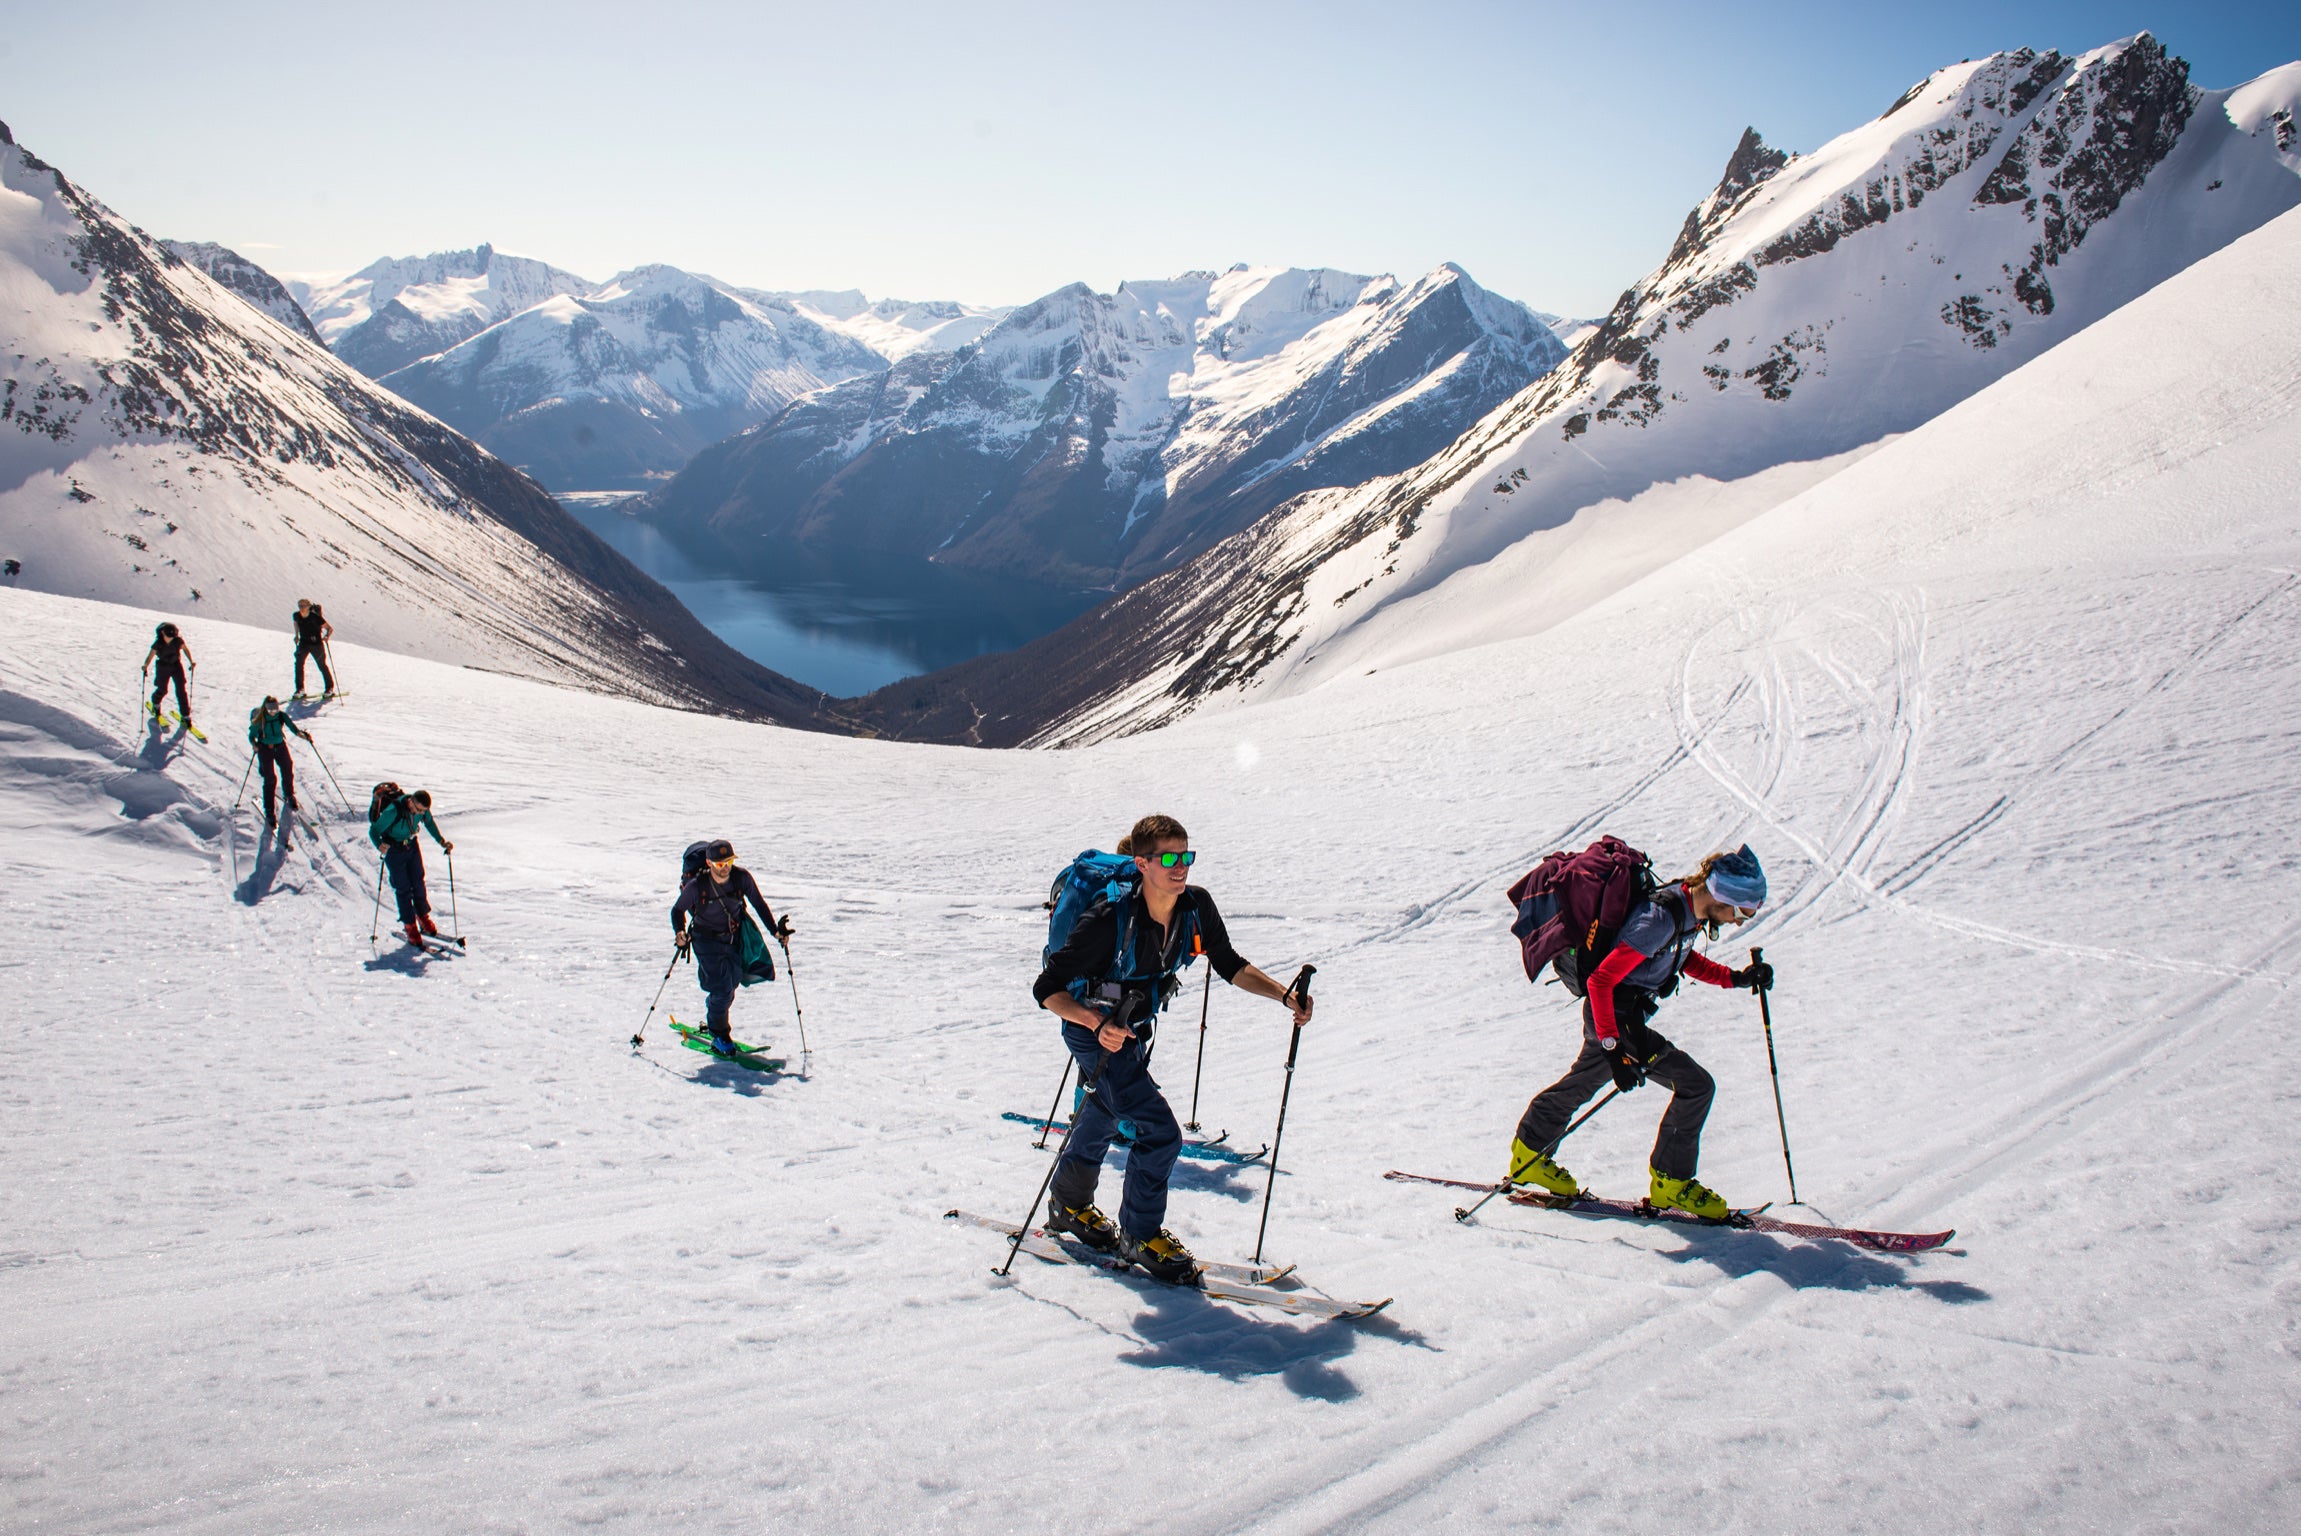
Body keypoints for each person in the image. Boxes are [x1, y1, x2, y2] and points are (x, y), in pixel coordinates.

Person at [1032, 813, 1313, 1283]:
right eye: (1169, 858)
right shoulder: (1108, 919)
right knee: (1160, 1130)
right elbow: (1047, 988)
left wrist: (1284, 994)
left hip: (1130, 1028)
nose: (1180, 866)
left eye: (1186, 856)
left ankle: (1068, 1205)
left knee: (1102, 1110)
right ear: (1141, 864)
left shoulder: (1195, 906)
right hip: (1092, 1027)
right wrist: (1094, 1022)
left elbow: (1229, 963)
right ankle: (1140, 1234)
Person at [1507, 844, 1776, 1220]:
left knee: (1584, 1080)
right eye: (1744, 912)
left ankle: (1529, 1152)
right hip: (1616, 1018)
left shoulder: (1687, 911)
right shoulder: (1659, 919)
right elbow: (1601, 981)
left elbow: (1681, 956)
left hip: (1622, 1016)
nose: (1740, 921)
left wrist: (1735, 978)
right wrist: (1614, 1047)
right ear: (1724, 898)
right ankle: (1672, 1182)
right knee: (1695, 1085)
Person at [671, 840, 791, 1056]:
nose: (724, 867)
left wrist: (776, 931)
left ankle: (714, 1009)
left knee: (733, 979)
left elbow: (759, 904)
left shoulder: (741, 878)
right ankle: (720, 1035)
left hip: (733, 937)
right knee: (723, 988)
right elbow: (677, 910)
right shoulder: (697, 886)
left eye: (728, 862)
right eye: (718, 864)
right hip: (705, 940)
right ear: (709, 863)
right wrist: (680, 933)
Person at [371, 788, 454, 947]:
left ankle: (422, 916)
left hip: (411, 845)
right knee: (403, 887)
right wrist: (379, 845)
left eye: (423, 811)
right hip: (394, 850)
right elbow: (374, 830)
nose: (419, 814)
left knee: (418, 881)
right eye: (418, 810)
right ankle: (410, 925)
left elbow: (429, 823)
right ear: (411, 801)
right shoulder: (393, 811)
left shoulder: (422, 811)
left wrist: (441, 841)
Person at [245, 696, 313, 830]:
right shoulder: (260, 719)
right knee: (270, 778)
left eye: (275, 708)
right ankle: (269, 810)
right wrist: (254, 744)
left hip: (280, 746)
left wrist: (302, 735)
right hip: (266, 748)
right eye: (270, 709)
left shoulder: (281, 716)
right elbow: (251, 735)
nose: (273, 711)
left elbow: (293, 728)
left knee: (287, 768)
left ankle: (289, 794)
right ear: (265, 708)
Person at [142, 621, 195, 726]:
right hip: (162, 667)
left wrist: (191, 661)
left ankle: (185, 715)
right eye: (168, 636)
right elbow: (150, 655)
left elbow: (185, 649)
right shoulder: (158, 643)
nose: (170, 638)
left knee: (181, 690)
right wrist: (145, 665)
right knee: (162, 689)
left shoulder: (178, 641)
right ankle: (156, 702)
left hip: (176, 666)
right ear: (162, 633)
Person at [292, 599, 334, 696]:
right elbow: (296, 623)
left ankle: (329, 688)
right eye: (300, 605)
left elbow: (329, 628)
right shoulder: (296, 615)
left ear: (308, 606)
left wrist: (327, 636)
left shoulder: (315, 618)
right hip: (304, 643)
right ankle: (300, 689)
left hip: (316, 644)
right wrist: (296, 635)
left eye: (303, 605)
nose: (301, 608)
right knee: (298, 664)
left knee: (322, 665)